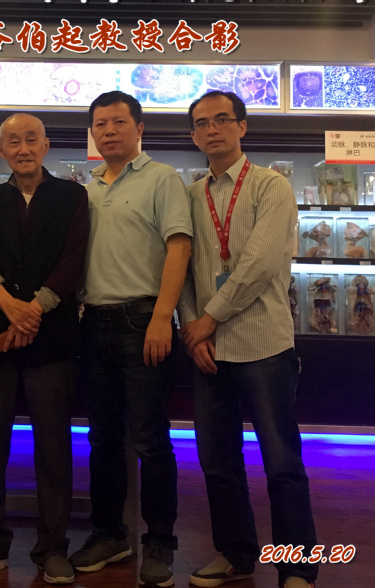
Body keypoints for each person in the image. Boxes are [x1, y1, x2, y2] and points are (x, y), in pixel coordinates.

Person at [178, 90, 318, 588]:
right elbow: (181, 269)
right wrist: (193, 331)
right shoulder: (190, 195)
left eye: (221, 119)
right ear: (193, 136)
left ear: (242, 126)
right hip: (208, 350)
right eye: (201, 123)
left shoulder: (271, 186)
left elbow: (259, 265)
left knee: (281, 462)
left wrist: (208, 319)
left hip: (264, 346)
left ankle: (297, 567)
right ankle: (236, 555)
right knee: (217, 462)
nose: (211, 129)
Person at [0, 114, 89, 585]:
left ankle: (52, 547)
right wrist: (8, 304)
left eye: (31, 139)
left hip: (50, 336)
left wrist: (34, 309)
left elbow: (74, 260)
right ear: (1, 151)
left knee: (53, 444)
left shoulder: (72, 196)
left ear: (46, 144)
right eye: (13, 141)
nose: (23, 148)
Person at [70, 91, 192, 588]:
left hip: (145, 322)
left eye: (119, 122)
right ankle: (109, 534)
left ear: (139, 128)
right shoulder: (88, 188)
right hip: (93, 324)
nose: (109, 131)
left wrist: (164, 316)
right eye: (100, 124)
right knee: (102, 439)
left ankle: (160, 541)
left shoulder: (162, 178)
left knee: (150, 439)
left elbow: (179, 247)